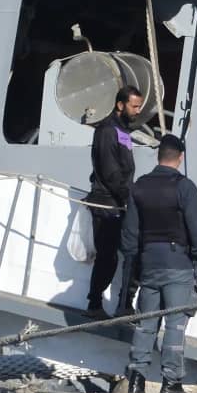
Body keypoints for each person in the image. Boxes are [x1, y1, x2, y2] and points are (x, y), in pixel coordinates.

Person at [123, 134, 197, 393]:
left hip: (148, 263)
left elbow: (130, 233)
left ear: (158, 155)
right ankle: (170, 383)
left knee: (145, 324)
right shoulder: (185, 187)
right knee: (175, 325)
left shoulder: (139, 186)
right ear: (180, 157)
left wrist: (133, 268)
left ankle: (136, 380)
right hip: (178, 264)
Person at [84, 86, 143, 319]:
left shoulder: (123, 131)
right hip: (107, 204)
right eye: (134, 106)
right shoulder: (108, 131)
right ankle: (94, 304)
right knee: (107, 256)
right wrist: (129, 198)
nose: (138, 111)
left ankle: (123, 305)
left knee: (129, 253)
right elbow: (110, 172)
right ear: (120, 105)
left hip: (119, 202)